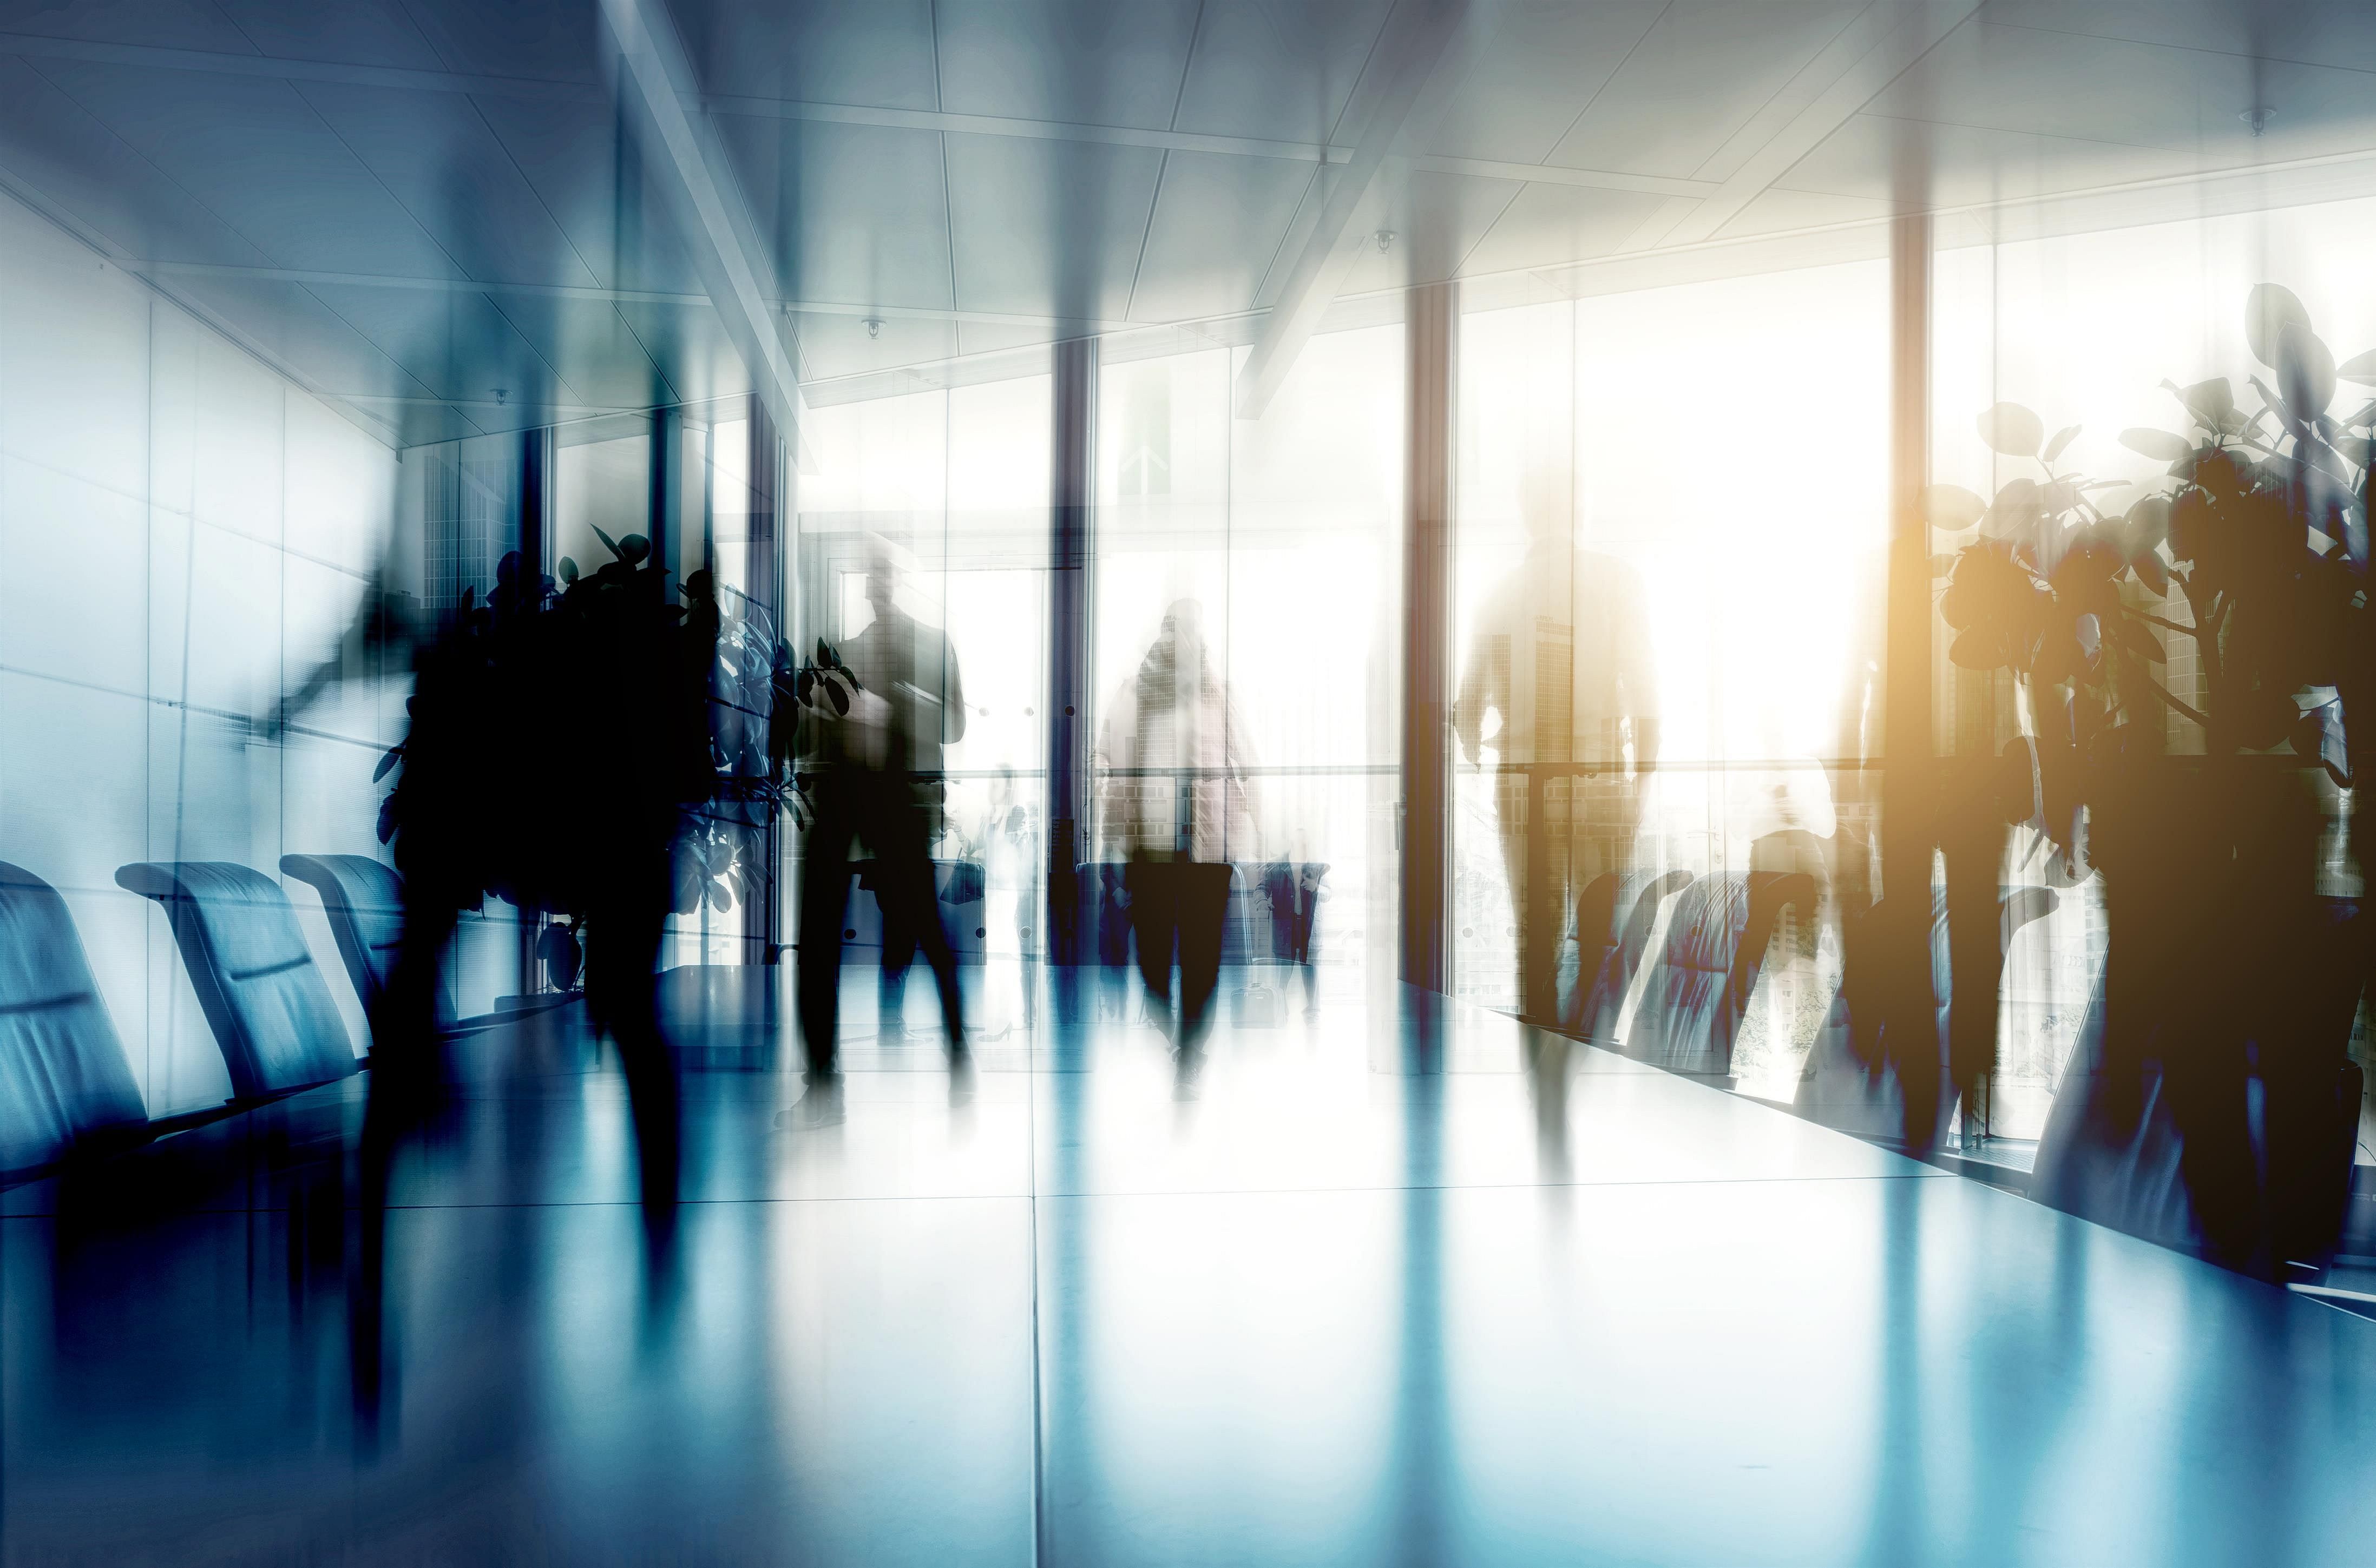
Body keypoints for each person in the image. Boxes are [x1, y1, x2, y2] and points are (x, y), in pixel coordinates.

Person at [1455, 474, 1659, 1028]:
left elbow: (1467, 712)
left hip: (1523, 783)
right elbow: (1644, 689)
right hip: (1596, 775)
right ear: (1579, 510)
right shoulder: (1615, 580)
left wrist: (1487, 747)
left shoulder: (1501, 594)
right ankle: (1588, 1042)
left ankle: (1543, 1044)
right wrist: (1641, 779)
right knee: (1600, 928)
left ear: (1525, 513)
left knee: (1535, 932)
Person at [795, 541, 968, 1075]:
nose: (878, 583)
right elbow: (805, 738)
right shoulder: (841, 653)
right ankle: (821, 1061)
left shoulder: (935, 647)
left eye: (886, 571)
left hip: (900, 798)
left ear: (901, 579)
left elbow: (955, 727)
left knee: (918, 917)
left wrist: (902, 703)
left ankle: (954, 1041)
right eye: (871, 573)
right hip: (843, 795)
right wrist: (819, 710)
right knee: (820, 927)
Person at [1095, 599, 1257, 1045]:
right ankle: (1170, 1028)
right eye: (1172, 628)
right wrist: (1111, 815)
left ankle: (1190, 1056)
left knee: (1202, 956)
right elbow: (1105, 755)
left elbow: (1247, 763)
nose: (1180, 638)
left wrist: (1247, 827)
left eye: (1188, 629)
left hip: (1207, 847)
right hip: (1150, 847)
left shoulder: (1219, 695)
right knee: (1151, 959)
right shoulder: (1133, 692)